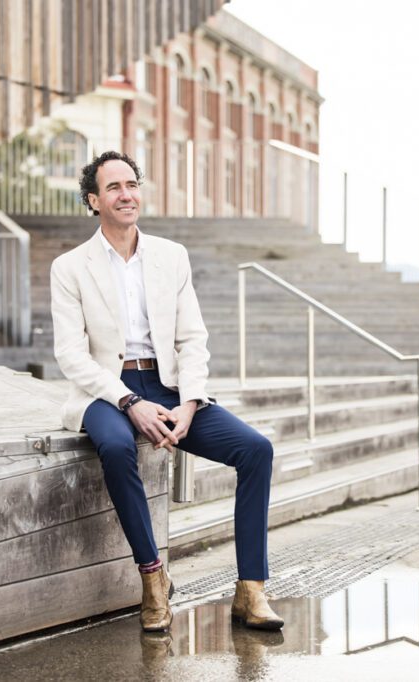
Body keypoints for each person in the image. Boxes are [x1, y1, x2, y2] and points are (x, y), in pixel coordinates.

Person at [50, 151, 283, 633]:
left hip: (169, 384)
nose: (126, 194)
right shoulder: (70, 267)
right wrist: (129, 402)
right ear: (93, 201)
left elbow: (192, 339)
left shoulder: (171, 256)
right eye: (113, 187)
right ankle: (154, 581)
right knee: (116, 446)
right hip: (106, 389)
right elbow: (71, 356)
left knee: (255, 449)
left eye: (131, 184)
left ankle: (251, 590)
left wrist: (190, 404)